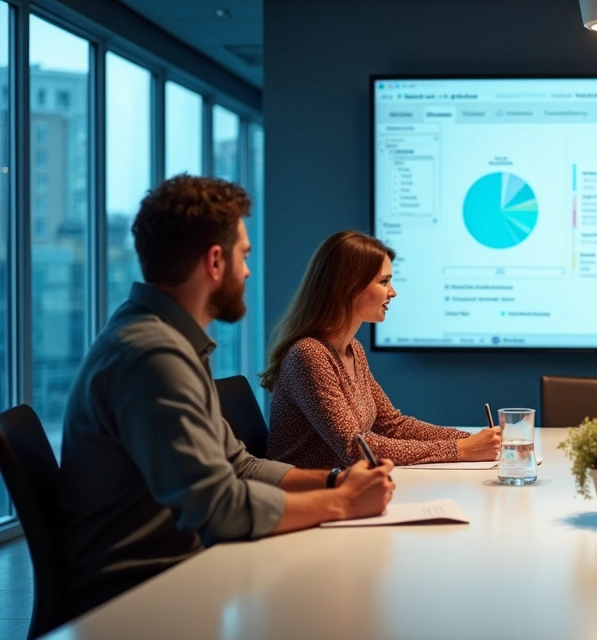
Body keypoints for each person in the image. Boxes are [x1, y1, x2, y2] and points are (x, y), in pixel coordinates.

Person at [58, 176, 396, 617]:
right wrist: (343, 502)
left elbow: (240, 465)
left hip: (180, 576)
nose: (248, 271)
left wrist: (334, 481)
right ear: (215, 261)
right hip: (142, 602)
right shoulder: (152, 356)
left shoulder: (166, 341)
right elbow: (219, 508)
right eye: (244, 255)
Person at [262, 231, 501, 469]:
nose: (393, 292)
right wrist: (460, 449)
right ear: (349, 286)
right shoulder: (309, 354)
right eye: (384, 281)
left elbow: (391, 426)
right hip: (307, 498)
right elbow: (356, 448)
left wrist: (470, 440)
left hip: (344, 490)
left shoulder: (352, 349)